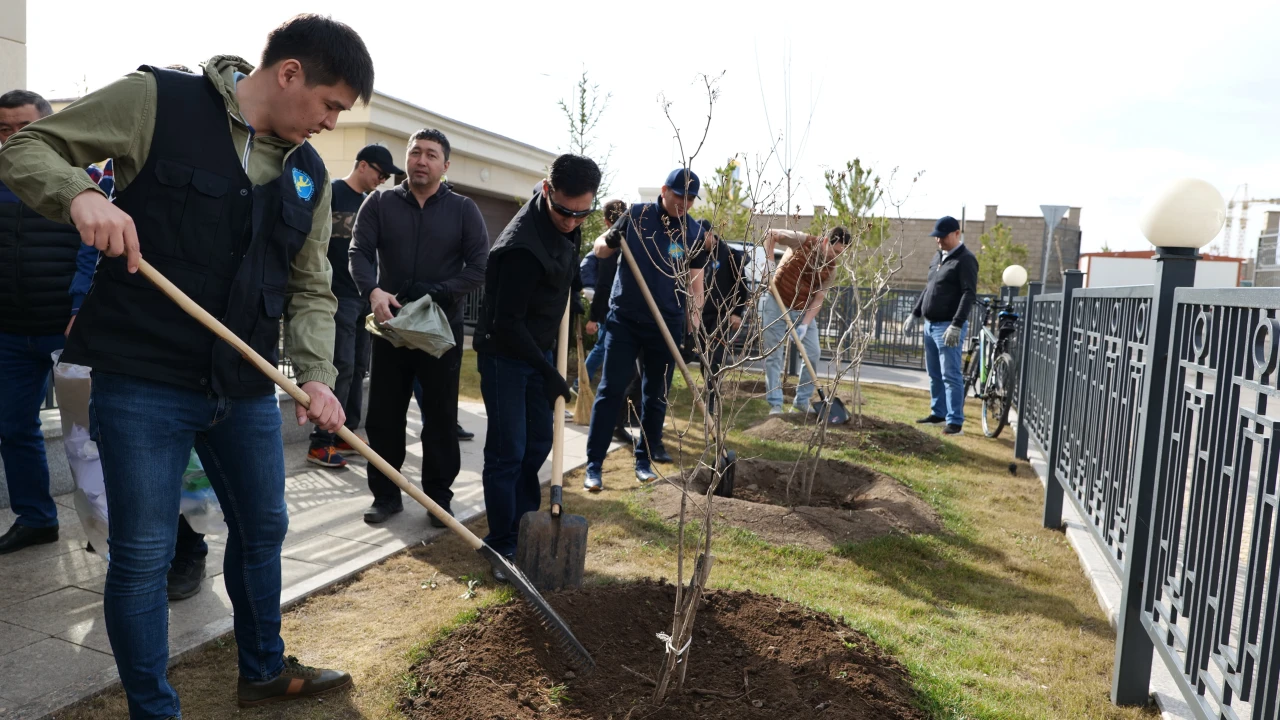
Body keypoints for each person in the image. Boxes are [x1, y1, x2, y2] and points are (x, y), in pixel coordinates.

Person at [0, 14, 374, 715]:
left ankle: (262, 671)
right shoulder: (159, 102)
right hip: (142, 380)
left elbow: (311, 285)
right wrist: (81, 194)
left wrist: (318, 373)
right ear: (290, 73)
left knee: (264, 528)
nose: (331, 123)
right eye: (330, 105)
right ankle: (154, 708)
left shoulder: (307, 175)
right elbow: (26, 150)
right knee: (143, 557)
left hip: (242, 384)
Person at [350, 128, 488, 527]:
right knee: (383, 417)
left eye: (430, 155)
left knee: (441, 419)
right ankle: (387, 495)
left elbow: (480, 267)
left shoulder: (464, 210)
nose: (421, 161)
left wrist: (440, 292)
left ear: (446, 165)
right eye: (415, 153)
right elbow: (358, 251)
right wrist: (374, 292)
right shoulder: (380, 202)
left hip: (440, 332)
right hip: (391, 327)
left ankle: (438, 500)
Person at [473, 154, 600, 577]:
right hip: (505, 354)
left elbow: (566, 257)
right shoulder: (520, 249)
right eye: (565, 211)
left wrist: (576, 289)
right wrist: (549, 371)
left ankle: (526, 525)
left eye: (583, 213)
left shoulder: (570, 221)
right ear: (547, 191)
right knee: (508, 451)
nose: (572, 221)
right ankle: (501, 542)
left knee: (537, 444)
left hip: (537, 349)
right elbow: (507, 324)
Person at [583, 168, 706, 491]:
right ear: (664, 190)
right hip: (624, 319)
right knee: (611, 390)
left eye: (691, 198)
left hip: (666, 324)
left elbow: (696, 287)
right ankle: (594, 466)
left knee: (656, 396)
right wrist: (608, 240)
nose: (685, 203)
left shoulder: (693, 233)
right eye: (680, 195)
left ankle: (644, 461)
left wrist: (692, 330)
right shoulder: (636, 216)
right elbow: (599, 249)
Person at [0, 90, 83, 555]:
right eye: (3, 130)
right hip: (9, 332)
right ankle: (35, 518)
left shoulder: (78, 180)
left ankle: (107, 519)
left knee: (92, 432)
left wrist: (80, 309)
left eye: (23, 129)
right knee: (14, 428)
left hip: (66, 330)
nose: (13, 139)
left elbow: (94, 254)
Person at [305, 143, 401, 468]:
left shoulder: (370, 205)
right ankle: (320, 443)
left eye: (387, 176)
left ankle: (344, 433)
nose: (382, 179)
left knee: (359, 367)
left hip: (363, 299)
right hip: (336, 296)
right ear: (362, 165)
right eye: (380, 172)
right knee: (341, 366)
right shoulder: (331, 193)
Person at [759, 226, 850, 415]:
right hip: (777, 300)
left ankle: (801, 402)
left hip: (801, 308)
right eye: (835, 250)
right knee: (774, 354)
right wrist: (768, 264)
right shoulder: (802, 240)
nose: (836, 256)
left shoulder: (831, 269)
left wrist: (805, 324)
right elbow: (770, 234)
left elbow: (818, 298)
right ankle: (776, 404)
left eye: (841, 253)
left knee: (813, 353)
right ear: (825, 241)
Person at [906, 215, 978, 435]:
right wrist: (915, 313)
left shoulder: (965, 259)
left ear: (957, 234)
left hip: (947, 327)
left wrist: (956, 325)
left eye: (943, 236)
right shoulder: (938, 257)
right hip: (930, 326)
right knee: (935, 373)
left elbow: (968, 294)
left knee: (950, 375)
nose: (938, 240)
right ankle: (938, 414)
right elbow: (928, 289)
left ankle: (955, 422)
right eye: (936, 236)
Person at [688, 219, 749, 416]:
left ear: (710, 234)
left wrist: (737, 313)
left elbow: (742, 286)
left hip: (722, 314)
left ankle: (713, 399)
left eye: (701, 236)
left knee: (715, 357)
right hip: (700, 314)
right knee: (703, 356)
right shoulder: (696, 252)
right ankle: (708, 388)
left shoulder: (731, 255)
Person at [581, 199, 627, 387]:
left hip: (615, 307)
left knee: (603, 347)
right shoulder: (612, 243)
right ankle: (581, 384)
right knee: (603, 347)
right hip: (615, 307)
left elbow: (604, 283)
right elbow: (603, 282)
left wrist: (594, 317)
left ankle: (581, 383)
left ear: (606, 221)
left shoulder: (611, 244)